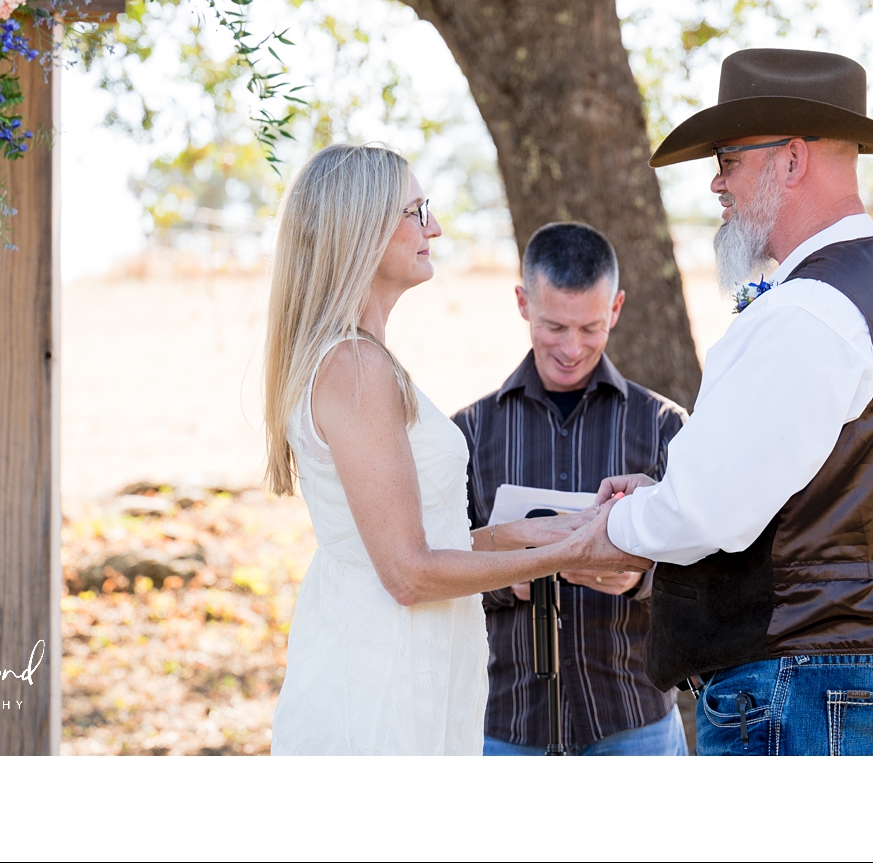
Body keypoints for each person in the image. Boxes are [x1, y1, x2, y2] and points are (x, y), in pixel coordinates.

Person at [529, 47, 873, 756]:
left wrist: (606, 530)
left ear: (791, 160)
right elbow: (790, 488)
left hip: (801, 680)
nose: (716, 182)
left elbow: (710, 511)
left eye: (730, 158)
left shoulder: (809, 308)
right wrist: (663, 496)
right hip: (851, 670)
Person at [263, 143, 633, 755]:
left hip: (411, 656)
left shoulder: (361, 359)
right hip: (381, 671)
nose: (433, 226)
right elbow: (409, 573)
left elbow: (418, 542)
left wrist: (537, 533)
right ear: (363, 229)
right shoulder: (355, 366)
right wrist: (569, 552)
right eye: (416, 210)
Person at [452, 222, 690, 756]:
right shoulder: (467, 434)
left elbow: (708, 571)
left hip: (634, 721)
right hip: (506, 725)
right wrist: (505, 578)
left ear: (617, 308)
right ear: (522, 303)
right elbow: (433, 566)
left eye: (591, 328)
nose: (572, 348)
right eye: (554, 326)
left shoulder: (665, 427)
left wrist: (637, 580)